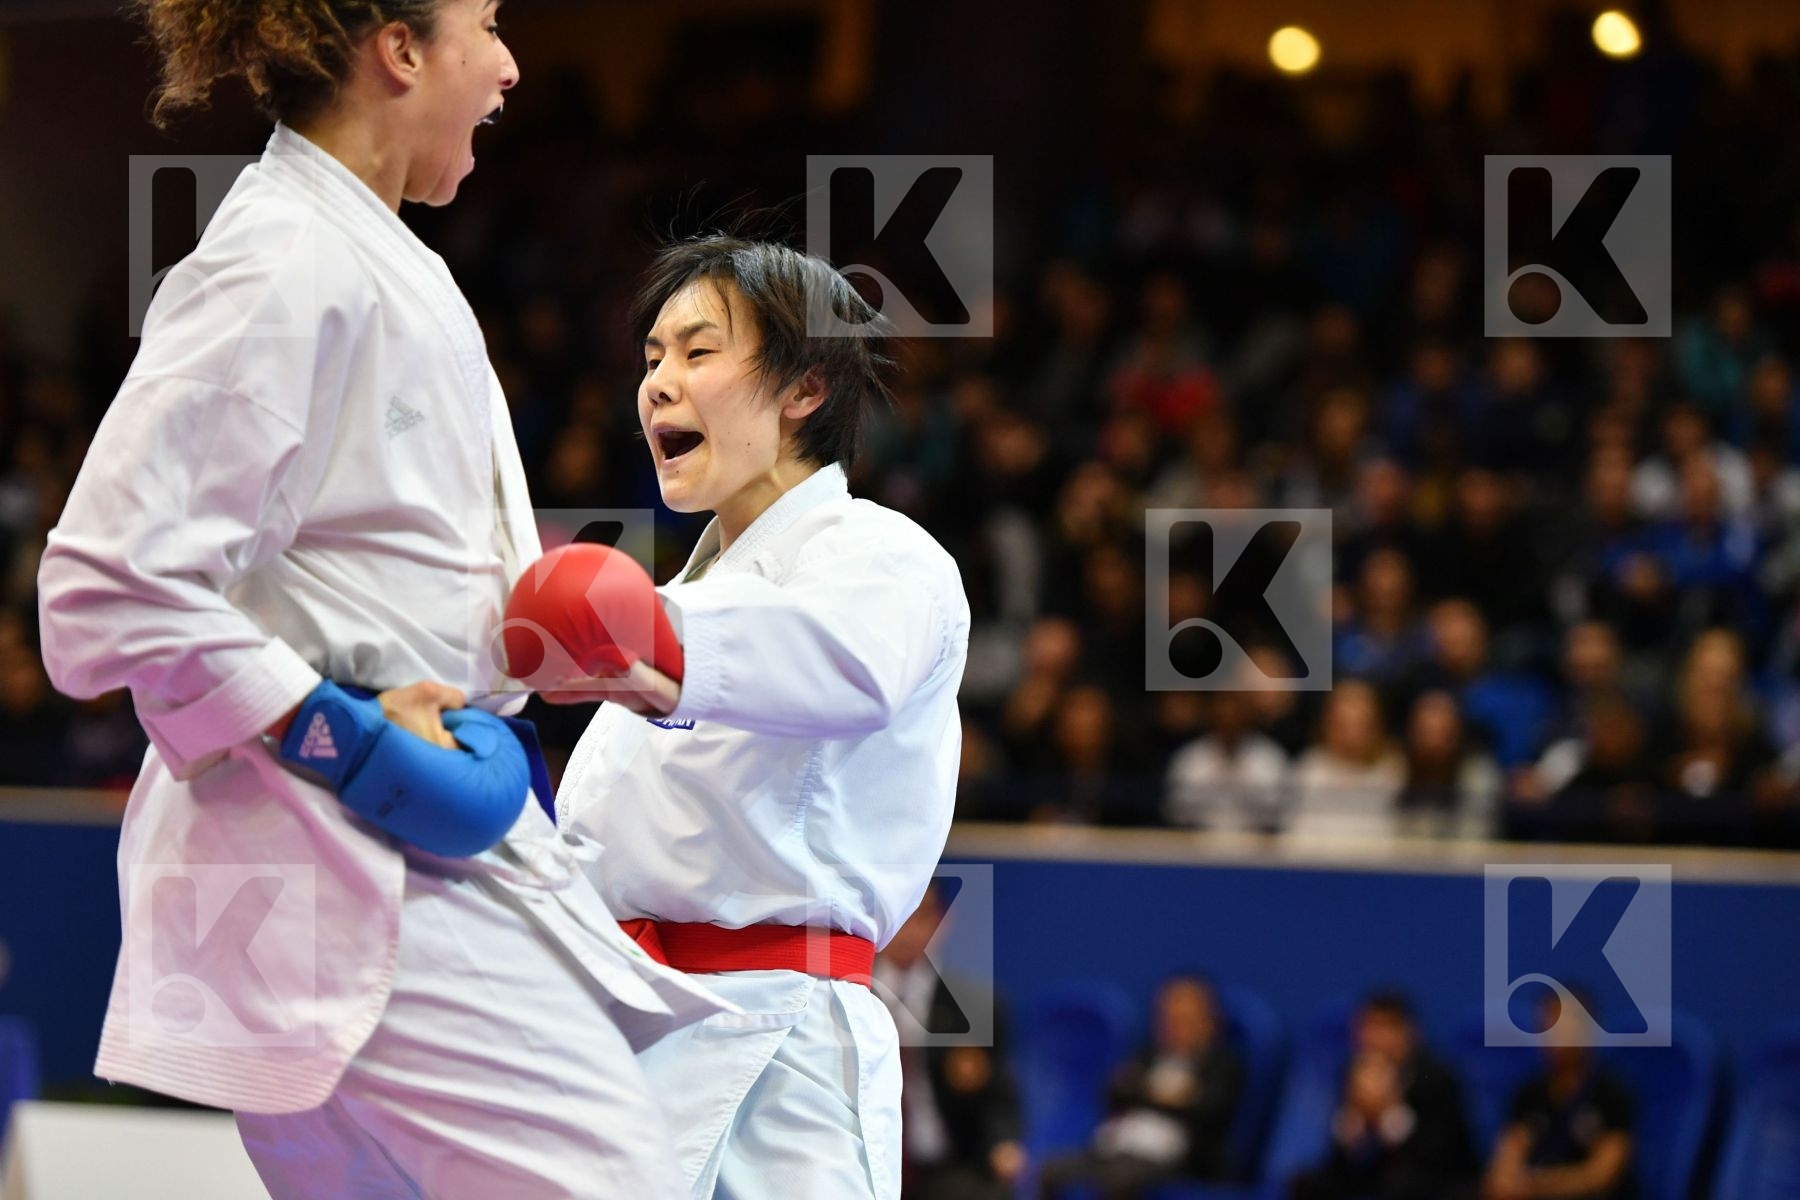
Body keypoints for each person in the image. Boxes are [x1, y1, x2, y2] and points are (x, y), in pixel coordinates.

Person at [36, 3, 723, 1195]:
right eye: (488, 25)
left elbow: (357, 568)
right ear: (400, 51)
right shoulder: (283, 258)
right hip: (349, 857)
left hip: (391, 841)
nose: (512, 65)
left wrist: (542, 639)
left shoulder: (378, 255)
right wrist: (336, 730)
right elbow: (104, 584)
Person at [514, 235, 972, 1200]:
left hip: (782, 1042)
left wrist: (642, 637)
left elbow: (839, 663)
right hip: (626, 1037)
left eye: (697, 351)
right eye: (650, 359)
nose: (658, 385)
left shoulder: (883, 556)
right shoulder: (693, 591)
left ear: (804, 388)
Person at [873, 883, 1026, 1200]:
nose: (908, 930)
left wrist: (1002, 1144)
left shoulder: (976, 1004)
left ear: (941, 922)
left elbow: (997, 1095)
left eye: (921, 916)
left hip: (946, 1166)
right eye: (899, 916)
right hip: (861, 1161)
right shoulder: (849, 995)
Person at [1037, 974, 1244, 1198]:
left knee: (1120, 1177)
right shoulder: (1148, 1055)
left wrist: (1147, 1094)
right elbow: (1114, 1093)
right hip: (1118, 1148)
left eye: (1186, 1019)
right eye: (1170, 1018)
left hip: (1176, 1158)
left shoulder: (1223, 1065)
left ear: (1207, 1021)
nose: (1177, 1027)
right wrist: (1167, 1097)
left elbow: (1210, 1110)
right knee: (1051, 1170)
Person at [1287, 991, 1479, 1200]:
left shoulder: (1437, 1078)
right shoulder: (1352, 1072)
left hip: (1432, 1179)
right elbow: (1340, 1160)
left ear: (1410, 1033)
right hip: (1373, 1176)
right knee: (1305, 1184)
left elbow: (1435, 1157)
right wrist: (1357, 1116)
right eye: (1369, 1027)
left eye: (1386, 1027)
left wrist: (1388, 1111)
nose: (1376, 1039)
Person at [1483, 995, 1636, 1200]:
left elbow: (1602, 1175)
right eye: (1548, 1023)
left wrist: (1538, 1184)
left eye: (1564, 1024)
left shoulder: (1610, 1096)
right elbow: (1504, 1166)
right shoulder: (1529, 1094)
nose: (1554, 1032)